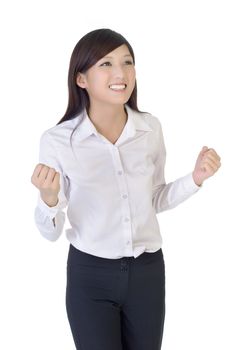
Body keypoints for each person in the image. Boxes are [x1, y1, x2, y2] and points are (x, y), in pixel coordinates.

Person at [31, 28, 221, 350]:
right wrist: (49, 201)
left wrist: (196, 177)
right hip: (90, 274)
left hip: (147, 273)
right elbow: (50, 233)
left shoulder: (150, 128)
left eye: (127, 62)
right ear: (81, 79)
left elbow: (154, 198)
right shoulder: (58, 141)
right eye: (105, 64)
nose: (121, 73)